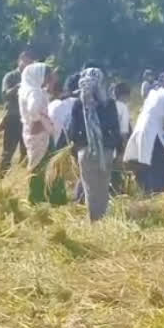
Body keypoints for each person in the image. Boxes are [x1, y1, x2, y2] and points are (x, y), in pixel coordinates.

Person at [124, 66, 164, 194]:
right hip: (153, 135)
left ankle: (145, 195)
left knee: (145, 166)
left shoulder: (155, 93)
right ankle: (158, 196)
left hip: (141, 132)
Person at [67, 68, 122, 221]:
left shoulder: (79, 103)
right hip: (106, 150)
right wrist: (118, 149)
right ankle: (102, 218)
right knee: (103, 187)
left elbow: (73, 131)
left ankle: (93, 220)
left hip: (86, 151)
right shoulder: (109, 103)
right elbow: (115, 129)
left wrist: (77, 148)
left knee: (90, 188)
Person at [18, 63, 57, 204]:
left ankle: (37, 197)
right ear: (39, 76)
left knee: (38, 163)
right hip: (39, 133)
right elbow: (34, 109)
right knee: (42, 165)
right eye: (48, 76)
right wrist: (40, 120)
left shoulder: (26, 89)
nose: (49, 79)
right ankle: (39, 198)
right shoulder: (34, 92)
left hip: (30, 132)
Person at [0, 49, 35, 178]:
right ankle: (0, 178)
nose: (26, 64)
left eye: (30, 62)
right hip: (13, 118)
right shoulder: (11, 76)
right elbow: (5, 95)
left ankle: (22, 179)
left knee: (26, 152)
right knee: (8, 151)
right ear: (19, 61)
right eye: (24, 61)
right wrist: (17, 87)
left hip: (28, 119)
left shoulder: (33, 78)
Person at [112, 81, 133, 193]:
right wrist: (125, 147)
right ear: (125, 95)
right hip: (118, 143)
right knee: (118, 170)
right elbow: (124, 130)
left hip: (108, 144)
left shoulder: (108, 105)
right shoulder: (123, 107)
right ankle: (118, 191)